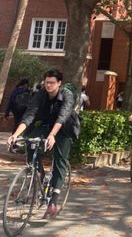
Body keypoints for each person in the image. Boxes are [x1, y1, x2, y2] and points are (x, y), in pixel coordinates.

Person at [7, 69, 80, 219]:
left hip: (64, 128)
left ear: (59, 83)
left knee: (60, 159)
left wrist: (52, 135)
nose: (48, 85)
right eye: (46, 82)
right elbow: (30, 115)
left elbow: (62, 116)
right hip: (47, 126)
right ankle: (38, 173)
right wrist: (15, 135)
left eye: (52, 83)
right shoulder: (41, 94)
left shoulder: (66, 94)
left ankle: (53, 201)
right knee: (30, 141)